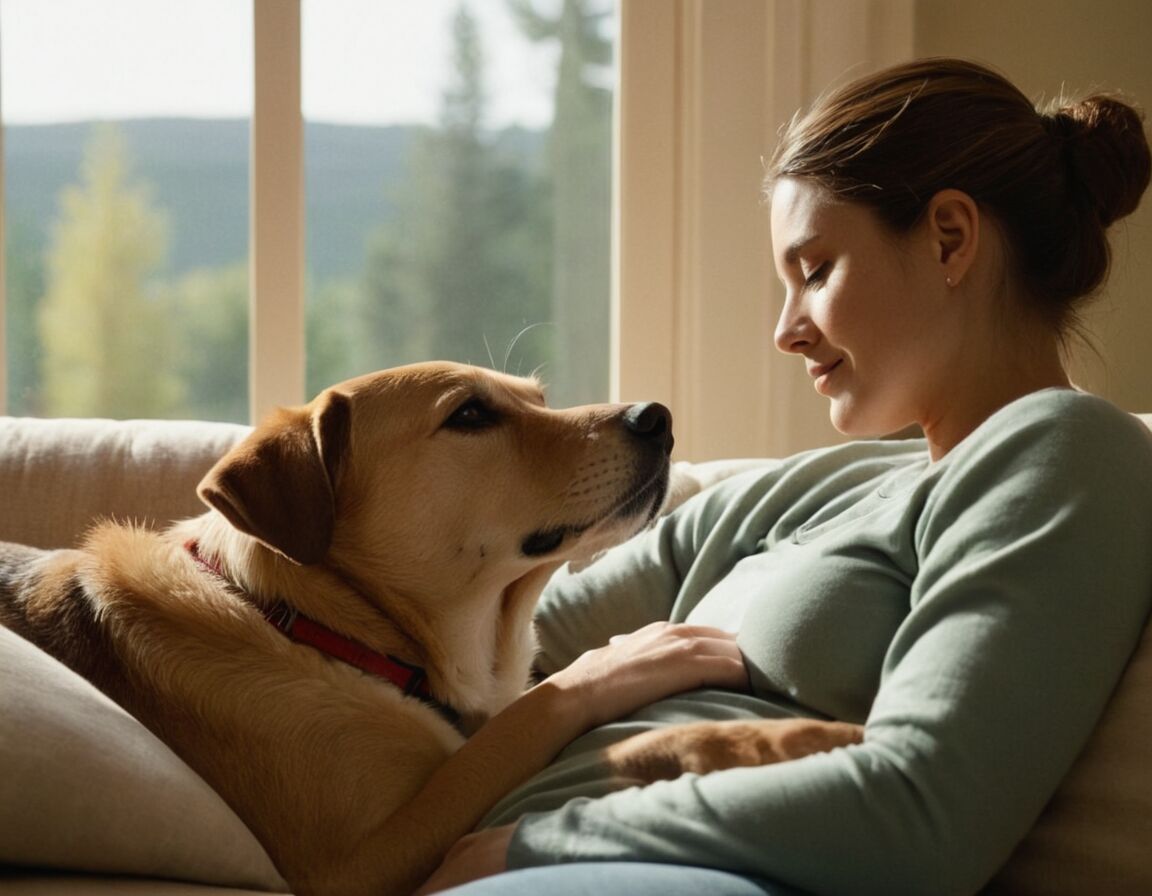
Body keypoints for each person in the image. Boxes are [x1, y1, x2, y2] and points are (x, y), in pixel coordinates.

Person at [416, 57, 1152, 895]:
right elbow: (465, 656)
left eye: (816, 271)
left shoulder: (1068, 450)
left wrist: (537, 846)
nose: (786, 331)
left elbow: (921, 816)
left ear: (950, 237)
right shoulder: (810, 490)